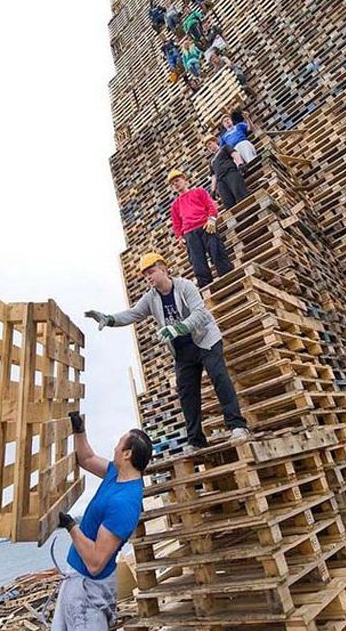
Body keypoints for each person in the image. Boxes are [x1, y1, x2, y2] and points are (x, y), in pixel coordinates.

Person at [47, 414, 154, 631]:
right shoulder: (114, 472)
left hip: (90, 592)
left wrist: (71, 526)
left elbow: (95, 561)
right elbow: (84, 457)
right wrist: (80, 430)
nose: (114, 445)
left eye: (118, 442)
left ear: (127, 453)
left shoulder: (126, 504)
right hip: (73, 585)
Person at [85, 254, 249, 450]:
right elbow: (133, 314)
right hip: (183, 351)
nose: (149, 277)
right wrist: (109, 319)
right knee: (187, 393)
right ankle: (196, 441)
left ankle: (237, 426)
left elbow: (200, 313)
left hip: (205, 341)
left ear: (163, 269)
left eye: (151, 271)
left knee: (219, 377)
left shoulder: (185, 286)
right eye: (145, 275)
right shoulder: (151, 298)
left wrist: (177, 328)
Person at [168, 169, 233, 287]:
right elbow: (177, 224)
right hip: (189, 233)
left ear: (184, 179)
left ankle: (228, 278)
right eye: (173, 184)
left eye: (177, 180)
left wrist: (212, 220)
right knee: (197, 262)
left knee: (217, 252)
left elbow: (211, 206)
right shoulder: (175, 205)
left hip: (206, 227)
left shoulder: (199, 192)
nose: (175, 184)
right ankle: (206, 286)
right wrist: (179, 238)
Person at [205, 134, 250, 209]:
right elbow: (213, 175)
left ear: (215, 141)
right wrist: (213, 189)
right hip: (221, 182)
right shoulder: (211, 161)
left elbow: (234, 154)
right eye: (207, 146)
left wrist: (240, 164)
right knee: (228, 203)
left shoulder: (225, 148)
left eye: (210, 143)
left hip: (231, 173)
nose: (209, 147)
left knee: (240, 194)